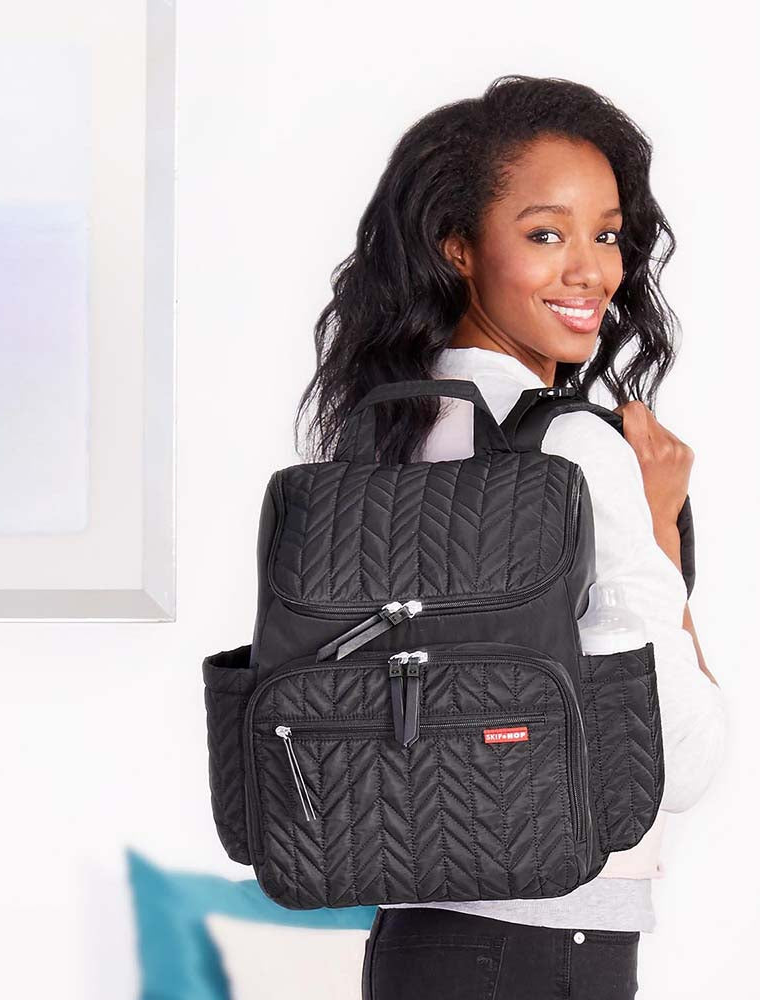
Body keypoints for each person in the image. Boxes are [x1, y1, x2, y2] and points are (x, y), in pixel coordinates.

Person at [295, 74, 727, 1000]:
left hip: (412, 938)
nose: (591, 272)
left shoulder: (381, 437)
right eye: (545, 235)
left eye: (606, 235)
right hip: (548, 947)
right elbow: (679, 760)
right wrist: (659, 522)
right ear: (458, 246)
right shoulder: (575, 448)